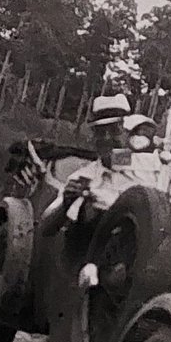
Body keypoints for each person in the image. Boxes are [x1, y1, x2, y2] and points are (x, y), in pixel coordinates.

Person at [39, 92, 133, 237]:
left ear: (129, 134)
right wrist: (66, 203)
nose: (107, 138)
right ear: (94, 138)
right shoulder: (83, 177)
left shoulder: (154, 172)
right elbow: (45, 230)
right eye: (101, 132)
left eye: (115, 130)